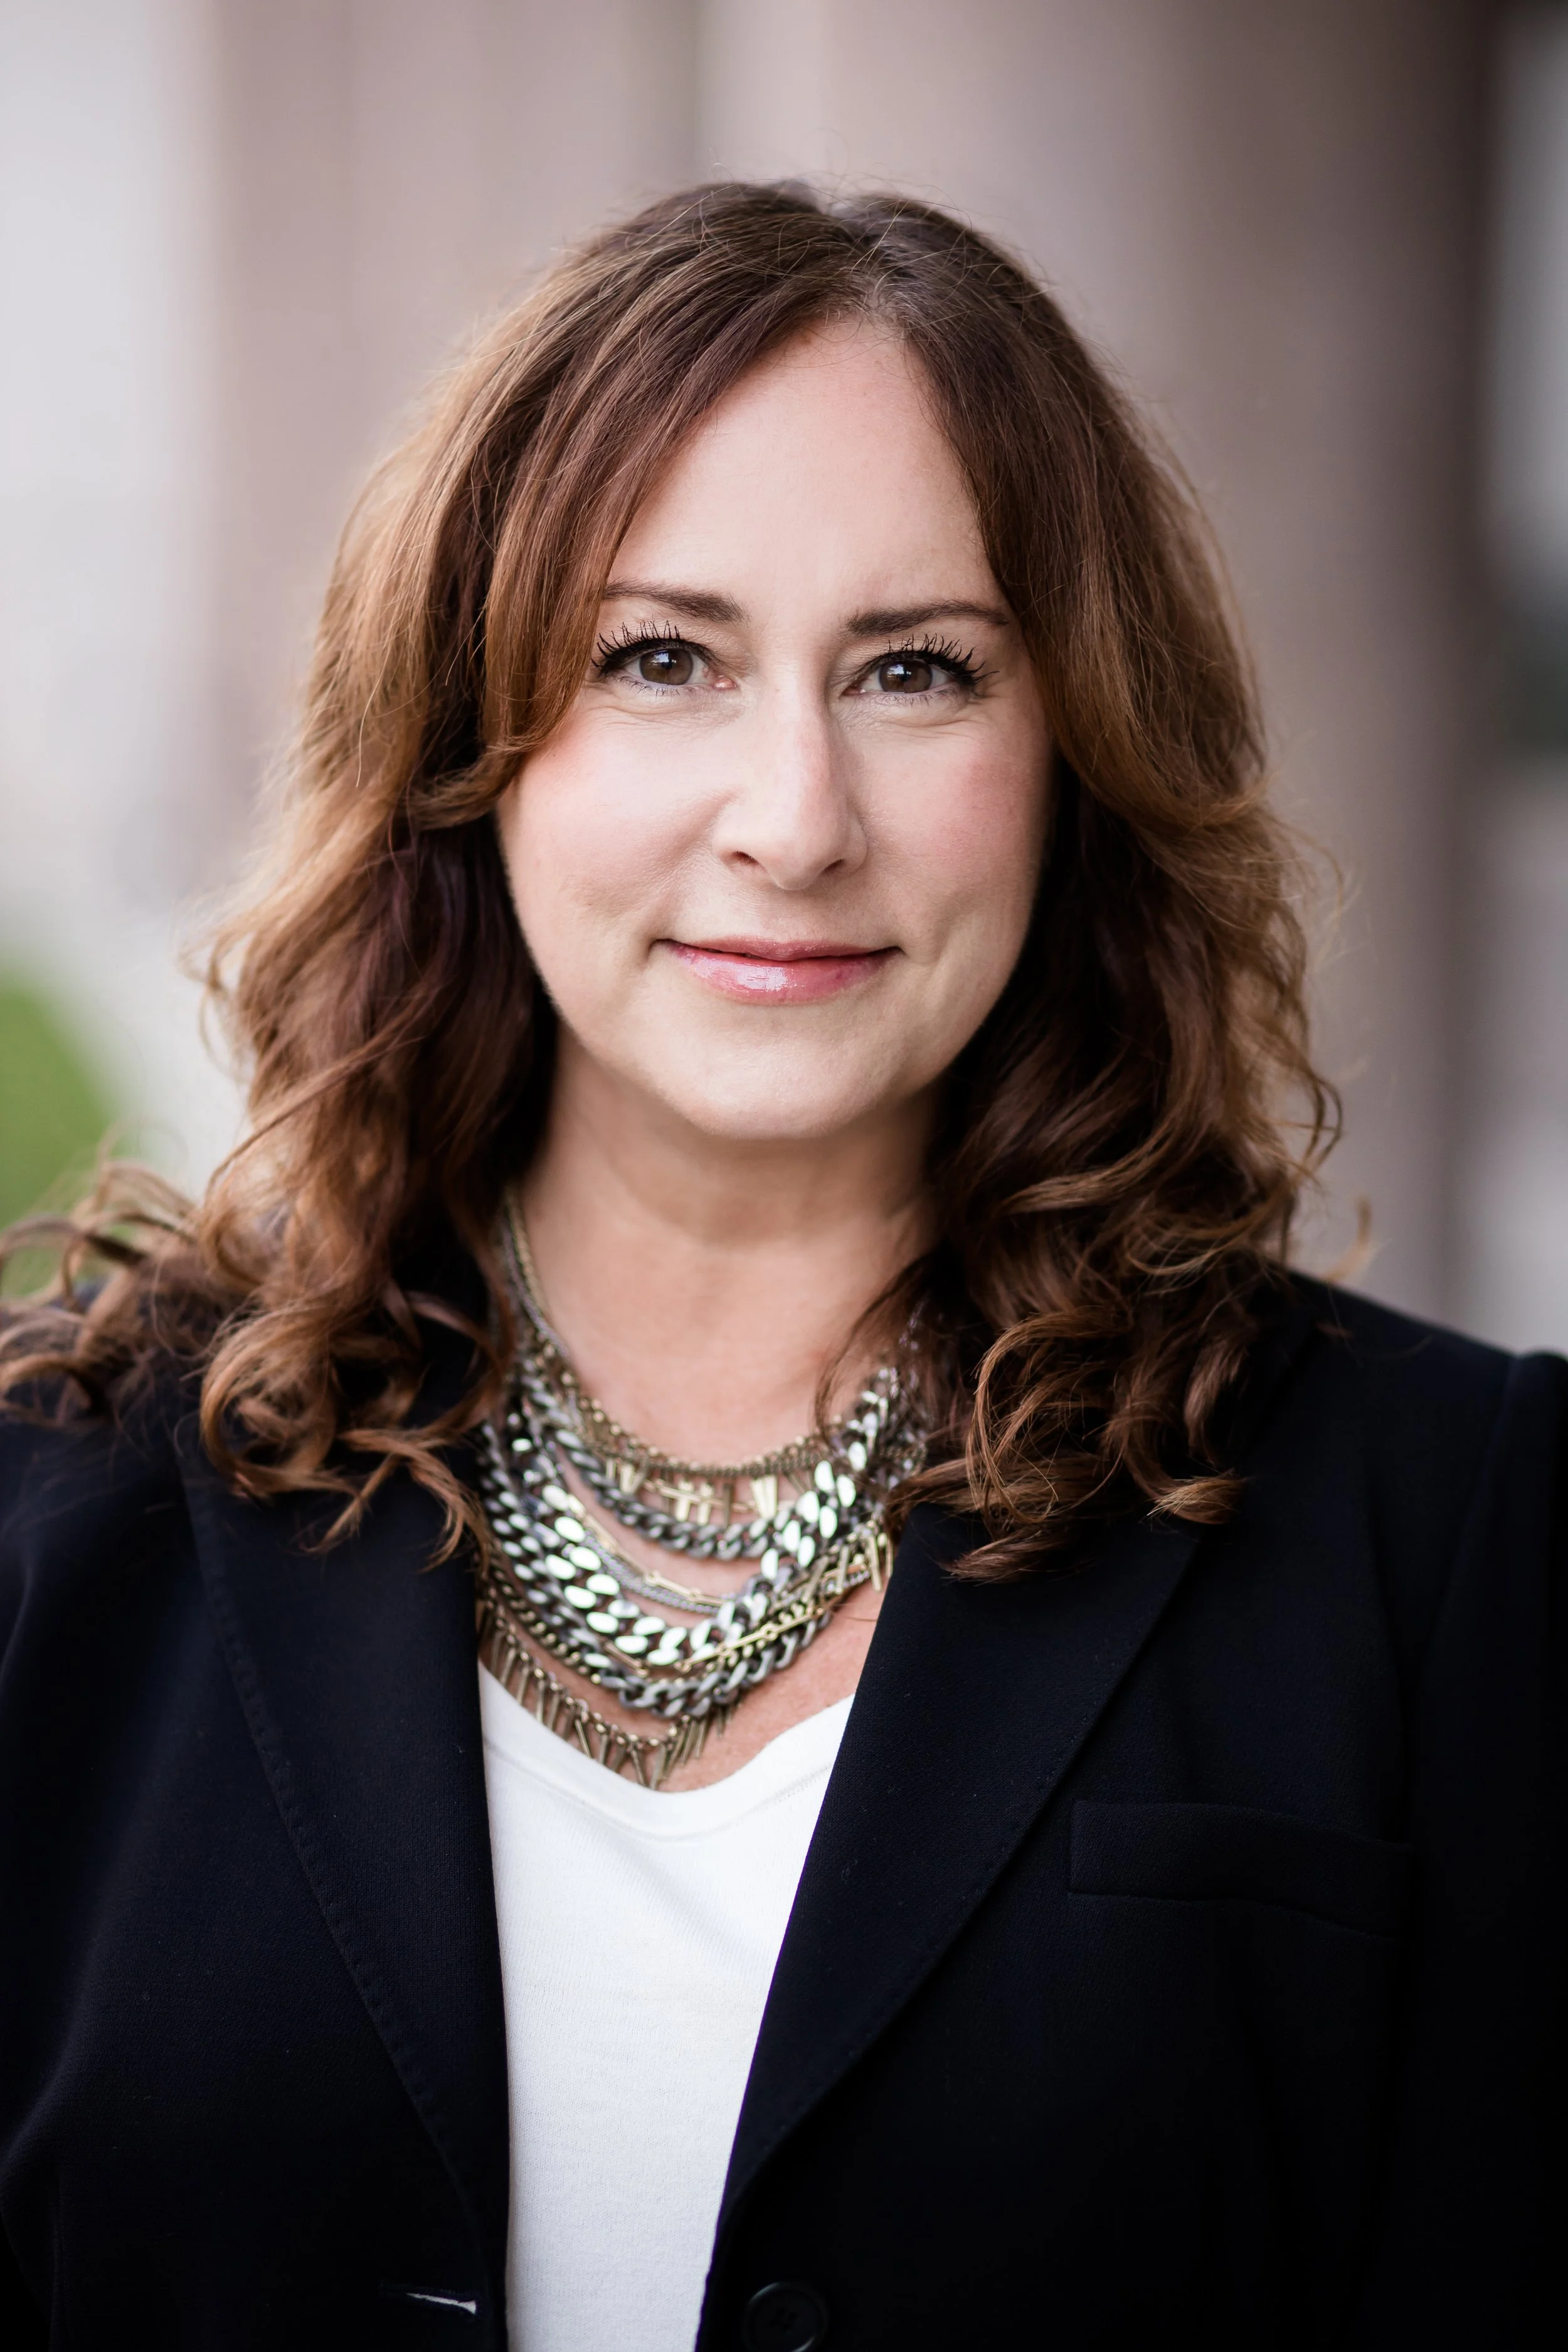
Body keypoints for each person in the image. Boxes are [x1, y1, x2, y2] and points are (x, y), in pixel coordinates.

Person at [0, 181, 1562, 2352]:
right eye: (663, 660)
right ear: (474, 750)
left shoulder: (1450, 1523)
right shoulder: (53, 1511)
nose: (794, 813)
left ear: (1072, 760)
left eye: (916, 670)